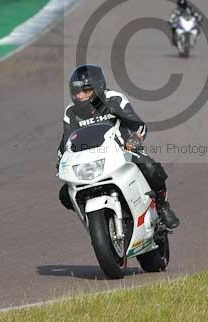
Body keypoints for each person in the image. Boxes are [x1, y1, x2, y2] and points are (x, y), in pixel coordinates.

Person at [57, 64, 180, 229]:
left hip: (123, 152)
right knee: (65, 194)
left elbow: (137, 124)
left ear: (98, 87)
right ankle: (96, 224)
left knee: (151, 169)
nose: (80, 96)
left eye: (86, 91)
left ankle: (162, 207)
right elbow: (66, 142)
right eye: (77, 92)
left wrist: (135, 138)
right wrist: (61, 160)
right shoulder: (71, 112)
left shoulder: (114, 99)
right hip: (90, 162)